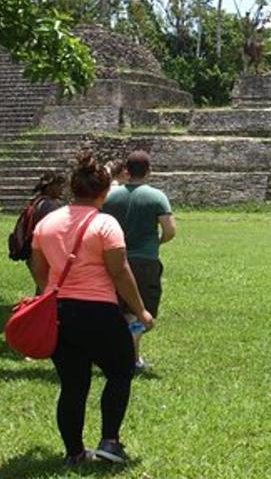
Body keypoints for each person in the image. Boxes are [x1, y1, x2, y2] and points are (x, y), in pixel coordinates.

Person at [29, 151, 154, 467]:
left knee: (73, 384)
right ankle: (110, 441)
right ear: (103, 192)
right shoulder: (105, 224)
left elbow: (39, 268)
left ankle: (74, 453)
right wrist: (140, 311)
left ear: (74, 188)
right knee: (120, 371)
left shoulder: (47, 223)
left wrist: (50, 292)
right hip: (98, 311)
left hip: (60, 313)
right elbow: (120, 271)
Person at [102, 149, 175, 373]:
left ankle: (125, 356)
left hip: (114, 258)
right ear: (149, 171)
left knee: (119, 308)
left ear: (126, 171)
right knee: (141, 309)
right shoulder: (156, 196)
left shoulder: (111, 197)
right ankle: (131, 358)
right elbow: (170, 230)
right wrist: (156, 243)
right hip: (145, 260)